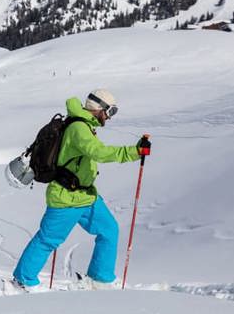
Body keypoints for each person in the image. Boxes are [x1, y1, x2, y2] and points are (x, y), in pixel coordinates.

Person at [12, 90, 151, 290]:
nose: (110, 117)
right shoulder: (78, 128)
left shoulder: (84, 125)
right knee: (48, 239)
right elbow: (98, 152)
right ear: (99, 109)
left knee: (109, 230)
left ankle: (100, 279)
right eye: (110, 111)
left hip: (86, 196)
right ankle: (22, 281)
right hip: (66, 197)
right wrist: (134, 152)